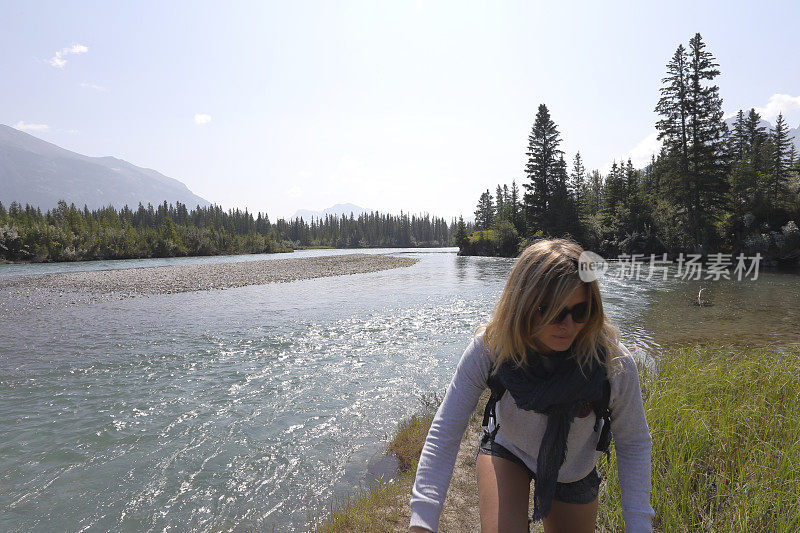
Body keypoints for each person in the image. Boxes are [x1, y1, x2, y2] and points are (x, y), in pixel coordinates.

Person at [409, 239, 653, 532]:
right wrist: (422, 521)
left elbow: (634, 443)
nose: (568, 325)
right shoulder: (491, 346)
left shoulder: (613, 363)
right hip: (508, 449)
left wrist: (639, 525)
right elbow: (446, 429)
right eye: (551, 311)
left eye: (580, 311)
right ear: (522, 305)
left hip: (574, 468)